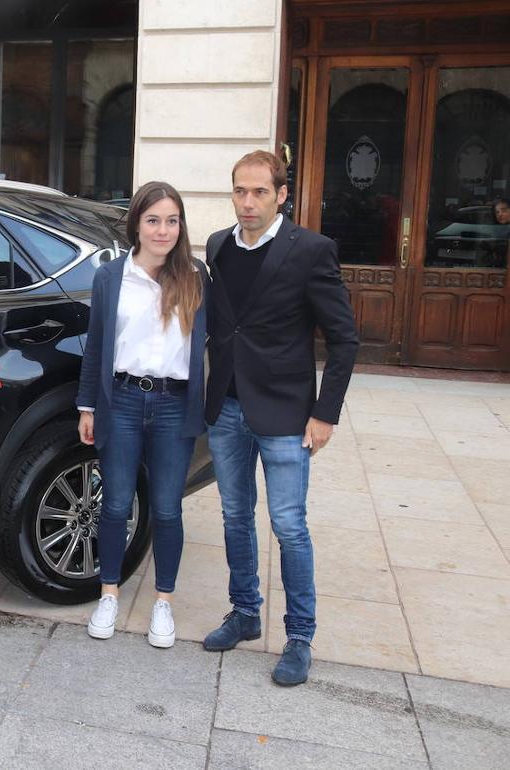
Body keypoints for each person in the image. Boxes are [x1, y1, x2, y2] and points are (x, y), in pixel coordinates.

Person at [202, 150, 359, 686]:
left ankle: (299, 637)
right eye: (240, 192)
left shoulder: (312, 251)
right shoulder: (218, 246)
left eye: (260, 193)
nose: (248, 203)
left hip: (288, 414)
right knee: (234, 516)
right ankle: (245, 613)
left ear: (282, 195)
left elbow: (344, 339)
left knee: (289, 526)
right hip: (226, 408)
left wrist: (325, 414)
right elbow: (225, 328)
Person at [75, 181, 208, 649]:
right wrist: (87, 405)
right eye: (153, 220)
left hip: (174, 405)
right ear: (136, 223)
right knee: (114, 505)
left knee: (168, 509)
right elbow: (96, 347)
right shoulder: (110, 278)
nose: (163, 230)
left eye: (172, 220)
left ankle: (163, 603)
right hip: (124, 402)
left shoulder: (195, 276)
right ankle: (109, 593)